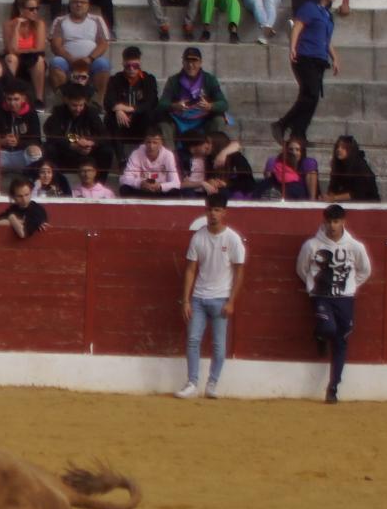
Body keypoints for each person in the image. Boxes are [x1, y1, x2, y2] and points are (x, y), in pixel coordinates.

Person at [296, 204, 371, 404]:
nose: (332, 225)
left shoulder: (355, 247)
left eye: (336, 221)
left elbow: (365, 270)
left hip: (345, 298)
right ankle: (320, 336)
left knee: (341, 341)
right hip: (321, 296)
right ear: (324, 221)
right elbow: (302, 269)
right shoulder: (311, 245)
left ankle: (333, 387)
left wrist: (351, 287)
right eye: (329, 221)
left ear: (343, 222)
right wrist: (314, 286)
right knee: (328, 328)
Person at [175, 196, 247, 400]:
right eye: (210, 210)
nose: (213, 214)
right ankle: (192, 383)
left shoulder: (232, 239)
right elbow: (190, 270)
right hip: (199, 297)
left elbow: (239, 272)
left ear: (224, 212)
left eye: (217, 210)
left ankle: (212, 383)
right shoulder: (198, 237)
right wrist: (186, 300)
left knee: (218, 344)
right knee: (193, 340)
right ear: (206, 211)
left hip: (221, 298)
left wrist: (232, 301)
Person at [275, 0, 340, 146]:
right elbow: (297, 26)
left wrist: (335, 57)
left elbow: (326, 39)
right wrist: (293, 47)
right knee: (310, 93)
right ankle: (283, 123)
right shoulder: (309, 8)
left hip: (319, 58)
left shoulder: (326, 13)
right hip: (305, 56)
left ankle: (299, 134)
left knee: (311, 97)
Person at [157, 47, 229, 149]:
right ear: (183, 62)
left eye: (194, 61)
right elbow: (161, 104)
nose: (191, 65)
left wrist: (210, 106)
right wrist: (174, 106)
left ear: (200, 62)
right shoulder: (173, 80)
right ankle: (170, 158)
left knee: (218, 120)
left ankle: (211, 154)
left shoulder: (209, 79)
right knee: (163, 121)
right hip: (179, 121)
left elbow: (224, 104)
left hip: (202, 121)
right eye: (187, 61)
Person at [48, 0, 112, 102]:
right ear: (70, 4)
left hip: (91, 62)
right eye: (75, 2)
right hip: (67, 61)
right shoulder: (60, 20)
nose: (79, 5)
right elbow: (56, 46)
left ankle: (98, 102)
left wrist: (89, 58)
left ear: (88, 5)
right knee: (56, 62)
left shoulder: (97, 20)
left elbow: (103, 44)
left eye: (82, 2)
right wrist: (71, 59)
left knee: (103, 63)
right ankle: (64, 101)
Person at [43, 83, 110, 176]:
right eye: (74, 105)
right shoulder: (58, 113)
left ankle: (98, 185)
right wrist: (74, 143)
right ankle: (55, 180)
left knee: (107, 151)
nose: (78, 109)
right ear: (66, 100)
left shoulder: (91, 113)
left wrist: (91, 143)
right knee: (50, 148)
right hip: (66, 153)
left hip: (87, 153)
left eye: (81, 105)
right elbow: (52, 135)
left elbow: (105, 135)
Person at [104, 46, 158, 155]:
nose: (132, 69)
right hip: (122, 121)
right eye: (128, 66)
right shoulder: (115, 79)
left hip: (140, 120)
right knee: (110, 118)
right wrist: (118, 110)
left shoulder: (148, 79)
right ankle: (121, 160)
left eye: (135, 66)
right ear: (123, 64)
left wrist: (131, 109)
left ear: (140, 64)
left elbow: (151, 102)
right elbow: (108, 101)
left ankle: (145, 156)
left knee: (149, 115)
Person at [0, 83, 43, 186]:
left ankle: (33, 187)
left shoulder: (31, 114)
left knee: (35, 151)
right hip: (3, 153)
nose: (12, 103)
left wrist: (19, 142)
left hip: (22, 154)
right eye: (9, 99)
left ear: (23, 98)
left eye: (16, 99)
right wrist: (1, 141)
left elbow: (36, 139)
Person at [3, 0, 48, 102]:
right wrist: (17, 27)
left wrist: (21, 51)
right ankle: (8, 95)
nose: (35, 12)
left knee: (39, 60)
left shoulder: (39, 24)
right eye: (31, 9)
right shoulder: (8, 24)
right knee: (11, 59)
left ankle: (39, 98)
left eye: (37, 9)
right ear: (21, 9)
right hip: (16, 57)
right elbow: (11, 49)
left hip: (32, 57)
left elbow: (40, 48)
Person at [119, 128, 183, 197]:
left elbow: (176, 183)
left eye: (155, 143)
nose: (151, 146)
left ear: (161, 143)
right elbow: (124, 178)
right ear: (144, 142)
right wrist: (140, 183)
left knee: (175, 192)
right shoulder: (136, 153)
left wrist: (160, 186)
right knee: (124, 188)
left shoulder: (168, 155)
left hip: (159, 191)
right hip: (142, 190)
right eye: (148, 142)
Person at [325, 135, 380, 203]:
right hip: (346, 203)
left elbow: (358, 193)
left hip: (367, 203)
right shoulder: (338, 165)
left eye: (343, 147)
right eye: (338, 147)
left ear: (351, 150)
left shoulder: (361, 166)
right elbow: (333, 187)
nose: (339, 150)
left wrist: (334, 198)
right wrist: (328, 197)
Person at [262, 135, 319, 200]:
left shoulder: (307, 163)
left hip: (302, 197)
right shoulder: (279, 163)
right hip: (278, 194)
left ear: (302, 152)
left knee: (310, 163)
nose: (294, 152)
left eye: (297, 150)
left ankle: (312, 200)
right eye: (290, 149)